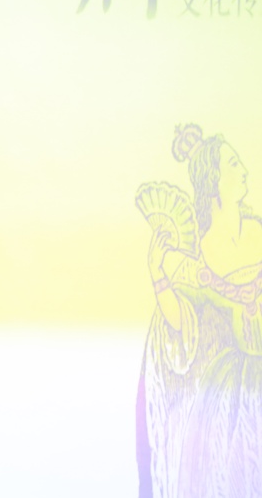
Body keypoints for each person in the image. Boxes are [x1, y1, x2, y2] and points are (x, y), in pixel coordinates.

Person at [136, 124, 262, 498]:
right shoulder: (199, 257)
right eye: (233, 165)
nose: (244, 171)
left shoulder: (258, 230)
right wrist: (157, 273)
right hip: (231, 393)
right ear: (213, 181)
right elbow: (181, 324)